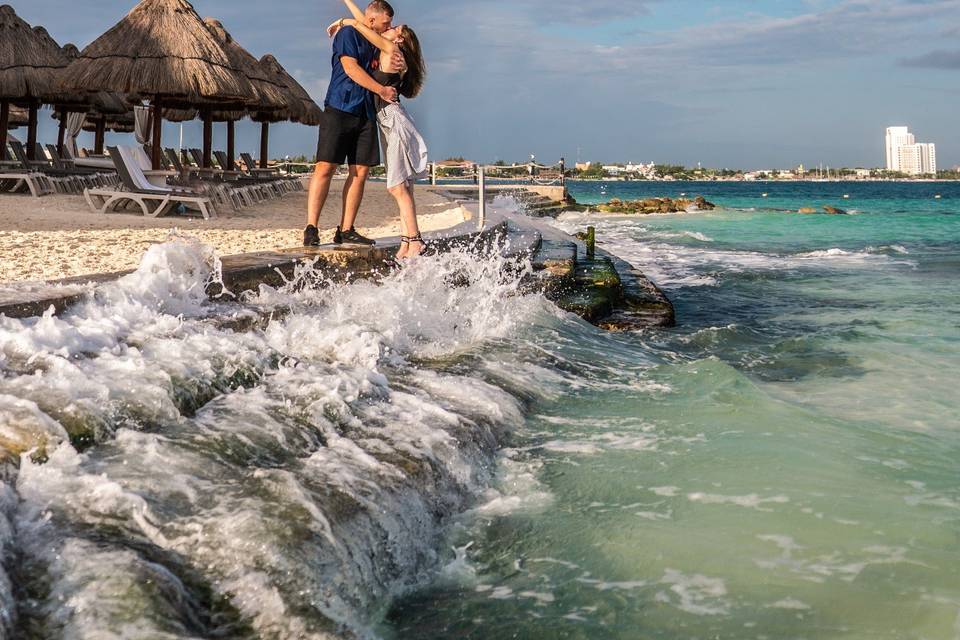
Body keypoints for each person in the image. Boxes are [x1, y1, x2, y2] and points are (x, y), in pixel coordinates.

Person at [328, 0, 428, 258]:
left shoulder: (391, 50)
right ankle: (407, 242)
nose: (391, 27)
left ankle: (415, 241)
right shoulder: (392, 51)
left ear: (400, 40)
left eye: (397, 28)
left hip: (392, 120)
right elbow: (369, 22)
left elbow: (364, 26)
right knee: (403, 185)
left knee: (396, 186)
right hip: (391, 119)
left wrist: (346, 22)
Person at [304, 0, 402, 247]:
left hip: (366, 114)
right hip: (339, 108)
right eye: (386, 23)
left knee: (360, 172)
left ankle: (346, 229)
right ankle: (311, 227)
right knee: (325, 167)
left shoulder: (378, 43)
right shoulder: (348, 34)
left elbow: (363, 20)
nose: (389, 27)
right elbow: (350, 68)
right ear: (372, 21)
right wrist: (381, 89)